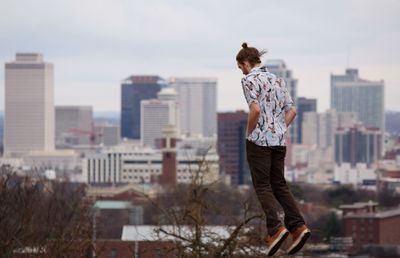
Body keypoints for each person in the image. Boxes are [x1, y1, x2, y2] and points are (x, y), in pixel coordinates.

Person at [236, 42, 311, 256]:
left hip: (258, 141)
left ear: (245, 63)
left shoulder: (248, 80)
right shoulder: (278, 79)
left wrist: (250, 133)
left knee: (262, 186)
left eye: (240, 66)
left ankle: (275, 228)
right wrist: (278, 129)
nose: (241, 70)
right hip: (278, 141)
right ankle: (298, 226)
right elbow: (293, 111)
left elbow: (255, 109)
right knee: (279, 184)